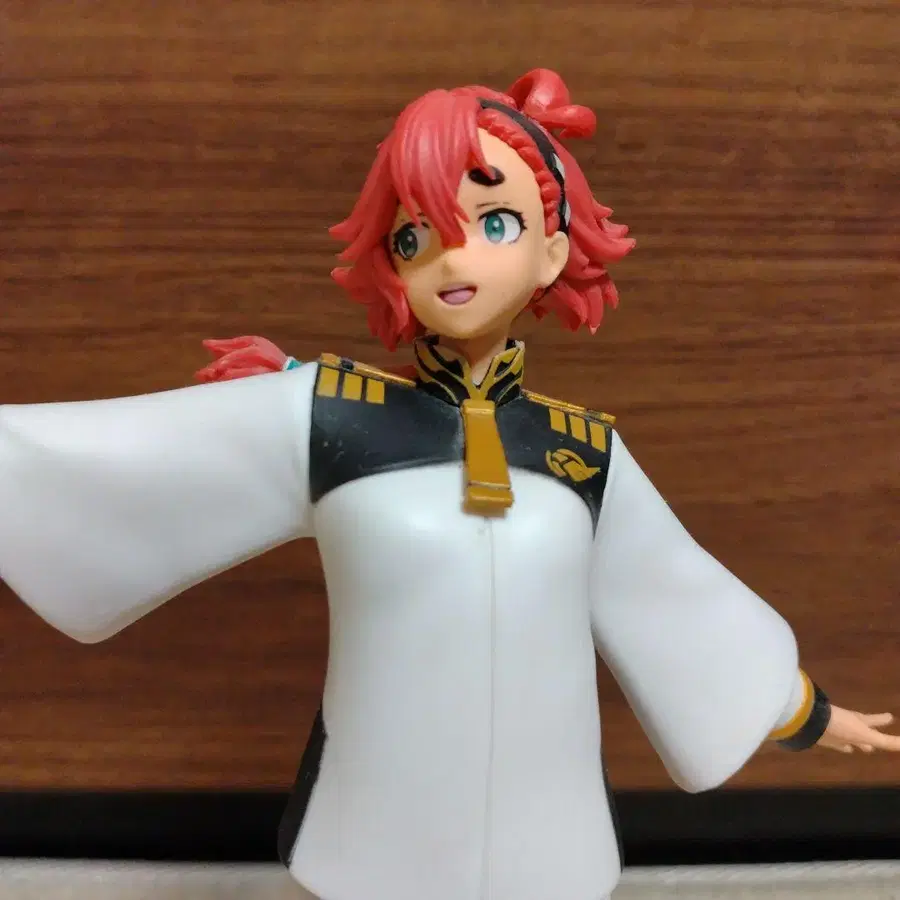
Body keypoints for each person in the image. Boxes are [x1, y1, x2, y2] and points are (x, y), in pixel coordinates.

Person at [1, 69, 897, 900]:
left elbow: (672, 594)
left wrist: (801, 710)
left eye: (494, 223)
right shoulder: (330, 417)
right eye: (416, 235)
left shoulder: (582, 453)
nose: (452, 259)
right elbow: (120, 462)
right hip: (376, 815)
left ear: (552, 252)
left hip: (547, 820)